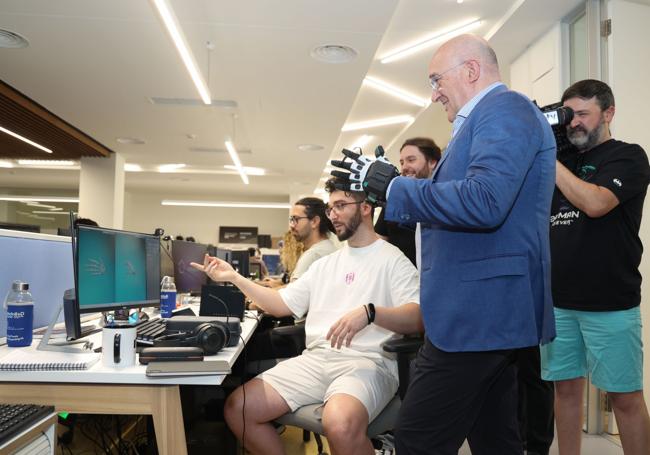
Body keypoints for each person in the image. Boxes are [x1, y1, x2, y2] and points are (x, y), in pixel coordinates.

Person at [353, 34, 556, 454]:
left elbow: (485, 201)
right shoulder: (484, 122)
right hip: (484, 315)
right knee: (496, 441)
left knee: (416, 442)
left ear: (470, 71)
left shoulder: (505, 110)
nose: (433, 95)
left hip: (478, 317)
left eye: (435, 80)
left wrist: (396, 188)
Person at [191, 179, 422, 455]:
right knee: (238, 408)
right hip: (316, 360)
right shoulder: (326, 264)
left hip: (368, 363)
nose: (333, 214)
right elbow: (279, 304)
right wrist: (235, 277)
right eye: (330, 208)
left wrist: (370, 313)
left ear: (366, 208)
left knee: (339, 424)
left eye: (340, 206)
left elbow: (417, 317)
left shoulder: (392, 259)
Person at [541, 79, 650, 455]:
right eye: (570, 115)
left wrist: (547, 159)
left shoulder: (628, 156)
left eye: (583, 114)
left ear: (609, 113)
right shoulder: (562, 160)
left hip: (611, 304)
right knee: (566, 392)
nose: (575, 123)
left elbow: (596, 203)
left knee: (625, 398)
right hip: (559, 302)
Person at [374, 137, 441, 266]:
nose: (404, 167)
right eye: (402, 162)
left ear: (432, 162)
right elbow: (380, 242)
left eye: (411, 160)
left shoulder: (443, 199)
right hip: (401, 280)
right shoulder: (393, 200)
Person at [287, 196, 339, 281]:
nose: (292, 225)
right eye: (291, 220)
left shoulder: (314, 254)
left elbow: (291, 293)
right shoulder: (328, 248)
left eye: (296, 219)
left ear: (314, 221)